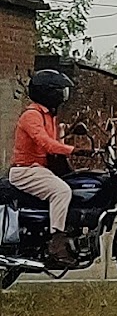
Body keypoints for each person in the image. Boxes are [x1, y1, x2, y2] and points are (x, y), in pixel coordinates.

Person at [10, 70, 76, 265]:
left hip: (39, 170)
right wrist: (74, 150)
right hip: (25, 170)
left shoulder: (49, 116)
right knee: (62, 191)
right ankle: (56, 243)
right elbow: (46, 143)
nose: (64, 96)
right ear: (49, 93)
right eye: (60, 91)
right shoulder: (31, 115)